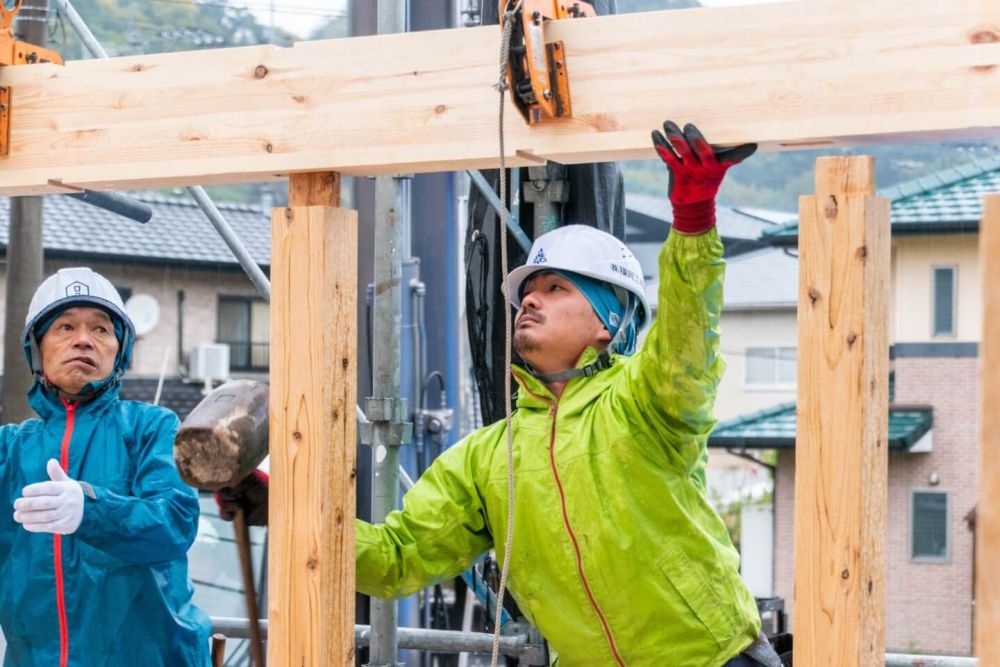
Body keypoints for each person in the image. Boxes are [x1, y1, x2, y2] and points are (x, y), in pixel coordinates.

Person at [218, 121, 778, 665]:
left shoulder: (644, 402)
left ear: (609, 321)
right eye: (527, 292)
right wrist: (288, 509)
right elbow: (398, 559)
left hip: (714, 658)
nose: (529, 301)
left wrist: (694, 220)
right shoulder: (490, 457)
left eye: (556, 288)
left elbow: (686, 338)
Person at [0, 267, 211, 666]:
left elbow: (175, 523)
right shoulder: (9, 449)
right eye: (64, 327)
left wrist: (90, 508)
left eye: (101, 329)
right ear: (36, 348)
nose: (83, 339)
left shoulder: (153, 427)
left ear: (120, 350)